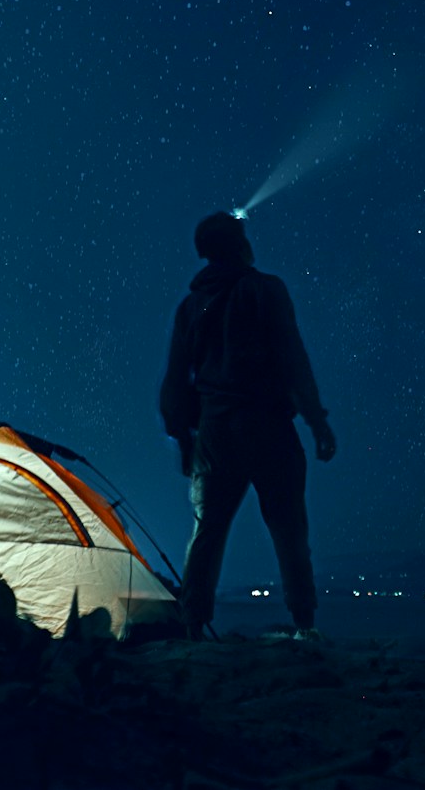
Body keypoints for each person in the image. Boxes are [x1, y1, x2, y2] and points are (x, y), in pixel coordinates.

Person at [159, 210, 337, 640]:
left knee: (207, 531)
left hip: (214, 432)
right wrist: (316, 421)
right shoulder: (265, 290)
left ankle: (192, 626)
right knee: (289, 526)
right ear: (239, 244)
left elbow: (176, 378)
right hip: (268, 425)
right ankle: (304, 624)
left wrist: (183, 437)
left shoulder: (191, 306)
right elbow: (293, 357)